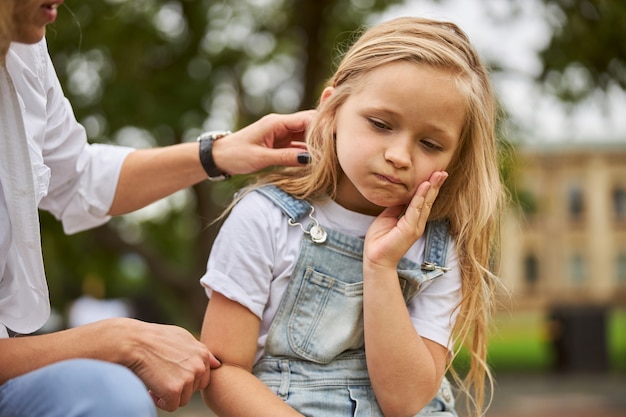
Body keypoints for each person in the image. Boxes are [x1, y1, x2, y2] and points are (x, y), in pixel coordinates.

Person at [0, 0, 313, 416]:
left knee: (108, 396)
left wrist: (219, 154)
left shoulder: (22, 50)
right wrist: (115, 340)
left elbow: (76, 177)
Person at [199, 16, 504, 417]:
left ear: (455, 158)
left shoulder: (439, 248)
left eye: (430, 143)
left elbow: (406, 400)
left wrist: (381, 266)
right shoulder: (265, 219)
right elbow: (223, 373)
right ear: (332, 110)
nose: (398, 155)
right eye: (380, 124)